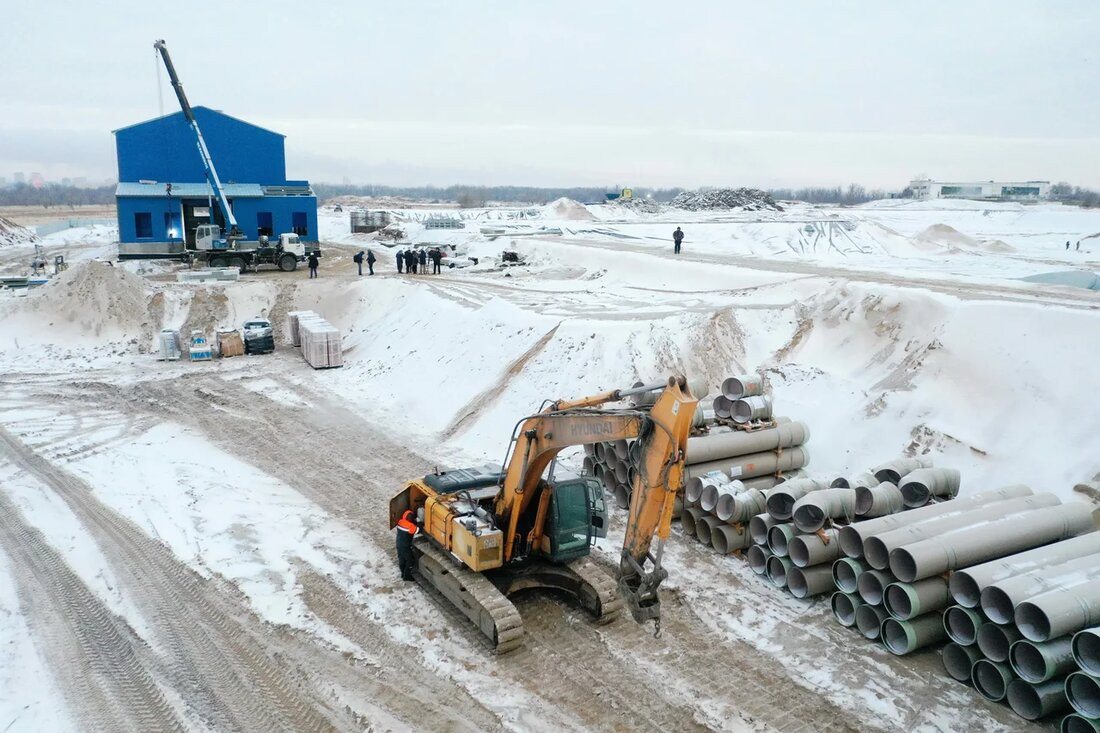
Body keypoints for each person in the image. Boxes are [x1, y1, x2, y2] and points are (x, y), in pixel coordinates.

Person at [395, 508, 419, 581]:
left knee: (402, 559)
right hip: (405, 546)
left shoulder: (400, 522)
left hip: (399, 544)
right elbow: (418, 530)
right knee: (410, 560)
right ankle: (407, 576)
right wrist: (419, 523)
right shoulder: (410, 526)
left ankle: (402, 573)